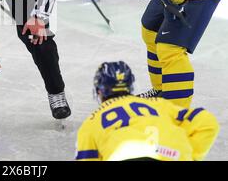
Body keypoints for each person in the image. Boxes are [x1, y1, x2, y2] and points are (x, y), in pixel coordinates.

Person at [75, 61, 219, 161]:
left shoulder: (91, 123)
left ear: (99, 91)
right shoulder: (157, 104)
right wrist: (188, 155)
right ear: (130, 85)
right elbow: (207, 122)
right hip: (172, 154)